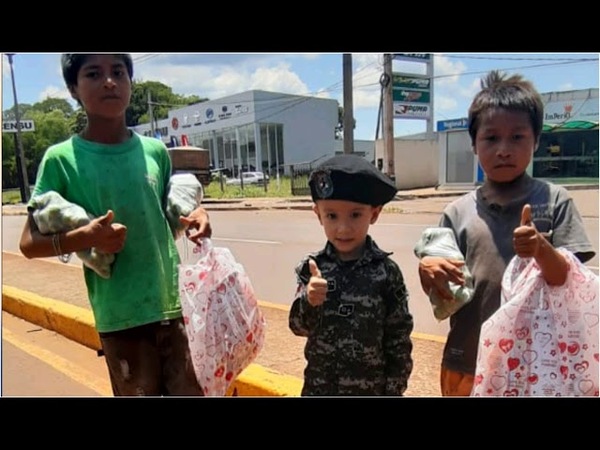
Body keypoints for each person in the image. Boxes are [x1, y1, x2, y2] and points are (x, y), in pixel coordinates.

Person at [19, 54, 212, 396]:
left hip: (175, 307)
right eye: (93, 73)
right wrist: (86, 237)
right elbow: (29, 243)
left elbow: (171, 212)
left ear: (130, 83)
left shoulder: (154, 151)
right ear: (73, 89)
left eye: (118, 72)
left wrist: (199, 216)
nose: (109, 81)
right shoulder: (61, 159)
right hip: (121, 318)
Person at [416, 70, 596, 397]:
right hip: (466, 360)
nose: (504, 149)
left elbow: (569, 283)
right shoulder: (456, 213)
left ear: (537, 140)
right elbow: (443, 293)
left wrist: (540, 248)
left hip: (538, 365)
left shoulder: (555, 201)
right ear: (473, 144)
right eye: (491, 138)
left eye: (517, 137)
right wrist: (427, 270)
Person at [289, 154, 414, 396]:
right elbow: (298, 327)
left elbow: (398, 340)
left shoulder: (386, 272)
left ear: (374, 214)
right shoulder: (312, 268)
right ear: (318, 215)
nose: (343, 228)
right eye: (331, 216)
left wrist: (394, 390)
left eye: (355, 215)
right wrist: (309, 301)